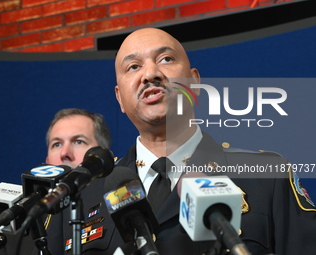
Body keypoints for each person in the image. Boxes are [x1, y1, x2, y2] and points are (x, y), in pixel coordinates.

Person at [35, 29, 316, 255]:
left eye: (166, 59)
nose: (150, 74)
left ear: (194, 83)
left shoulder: (267, 177)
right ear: (120, 98)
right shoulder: (80, 196)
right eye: (133, 66)